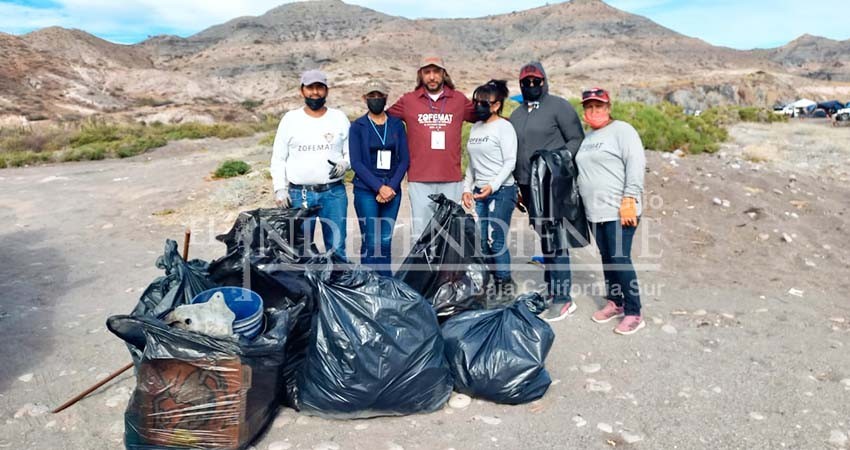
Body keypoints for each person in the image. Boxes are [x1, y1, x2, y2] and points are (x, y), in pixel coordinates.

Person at [509, 62, 585, 322]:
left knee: (556, 238)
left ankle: (564, 299)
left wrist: (557, 160)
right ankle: (553, 288)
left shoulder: (559, 106)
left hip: (553, 184)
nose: (531, 85)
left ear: (544, 81)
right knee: (545, 237)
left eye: (536, 81)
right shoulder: (517, 114)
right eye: (526, 82)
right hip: (528, 187)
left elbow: (576, 139)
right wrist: (518, 185)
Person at [575, 88, 646, 335]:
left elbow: (636, 163)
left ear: (608, 108)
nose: (594, 111)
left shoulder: (622, 130)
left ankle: (634, 312)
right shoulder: (587, 138)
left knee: (619, 258)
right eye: (589, 107)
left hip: (619, 209)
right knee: (607, 258)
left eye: (599, 106)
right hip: (595, 211)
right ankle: (616, 302)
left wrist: (630, 198)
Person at [387, 55, 476, 241]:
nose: (432, 76)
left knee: (451, 233)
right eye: (427, 72)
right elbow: (382, 119)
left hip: (451, 178)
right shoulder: (408, 101)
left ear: (444, 74)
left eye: (436, 72)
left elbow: (483, 117)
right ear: (420, 74)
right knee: (422, 234)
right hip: (420, 179)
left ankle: (449, 263)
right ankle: (424, 262)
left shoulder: (458, 100)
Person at [270, 69, 350, 258]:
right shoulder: (290, 119)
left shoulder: (339, 118)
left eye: (320, 87)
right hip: (300, 195)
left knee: (337, 247)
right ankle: (306, 279)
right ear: (302, 91)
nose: (315, 92)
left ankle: (338, 277)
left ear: (327, 91)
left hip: (333, 194)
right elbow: (278, 158)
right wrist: (279, 189)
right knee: (301, 249)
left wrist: (345, 163)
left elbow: (351, 152)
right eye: (310, 87)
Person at [462, 80, 518, 301]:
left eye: (484, 103)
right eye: (476, 102)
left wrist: (492, 185)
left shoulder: (504, 127)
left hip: (501, 191)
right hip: (479, 191)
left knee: (496, 239)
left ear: (496, 105)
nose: (478, 106)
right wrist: (467, 188)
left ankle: (504, 283)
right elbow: (472, 163)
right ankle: (488, 283)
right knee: (482, 241)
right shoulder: (476, 127)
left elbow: (510, 161)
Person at [349, 79, 410, 276]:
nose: (376, 99)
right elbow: (356, 162)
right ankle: (368, 283)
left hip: (392, 189)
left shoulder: (396, 124)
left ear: (386, 97)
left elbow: (404, 159)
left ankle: (385, 282)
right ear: (364, 98)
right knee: (371, 240)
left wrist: (391, 186)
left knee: (384, 240)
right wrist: (379, 187)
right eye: (371, 96)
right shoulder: (357, 126)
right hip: (366, 190)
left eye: (379, 96)